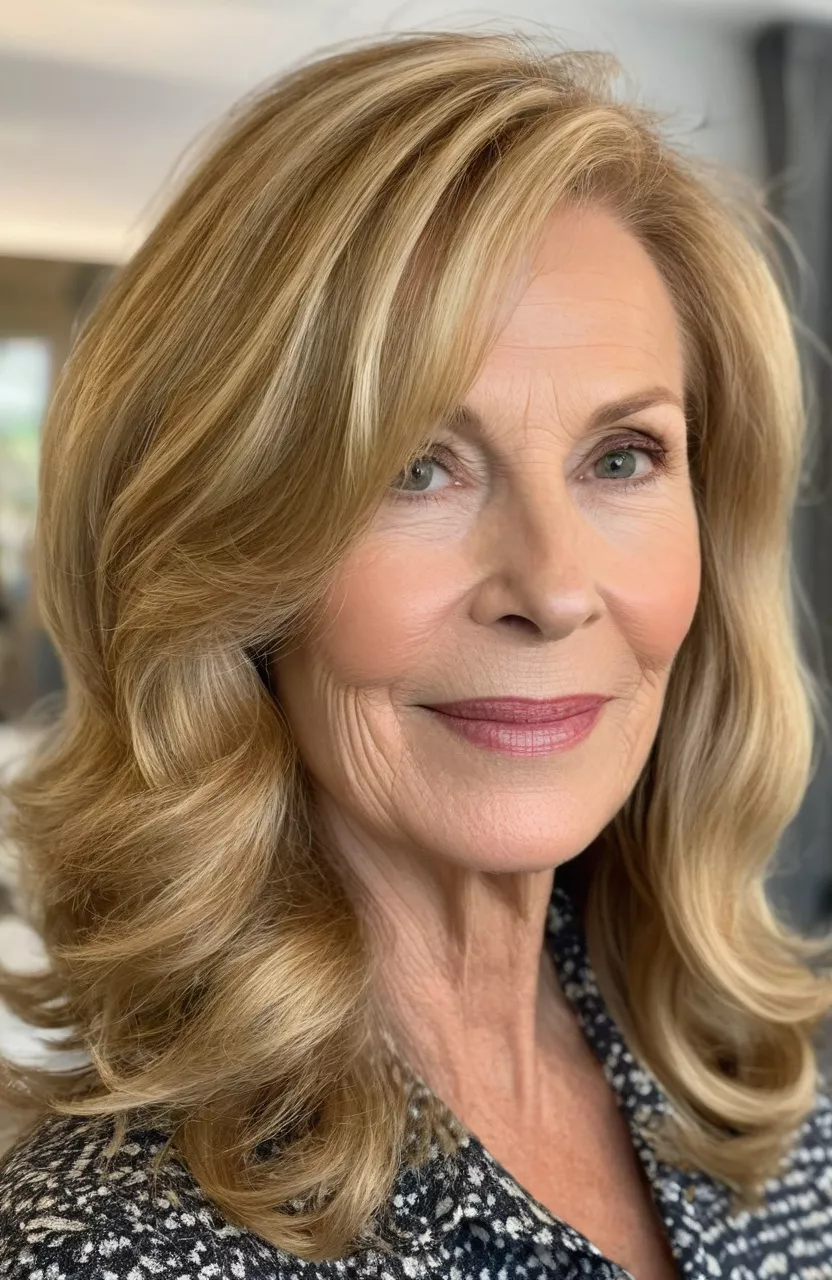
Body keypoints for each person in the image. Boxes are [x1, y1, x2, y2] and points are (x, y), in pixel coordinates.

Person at [0, 28, 830, 1280]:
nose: (551, 587)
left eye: (622, 458)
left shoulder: (750, 1081)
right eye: (413, 467)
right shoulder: (116, 1246)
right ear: (226, 558)